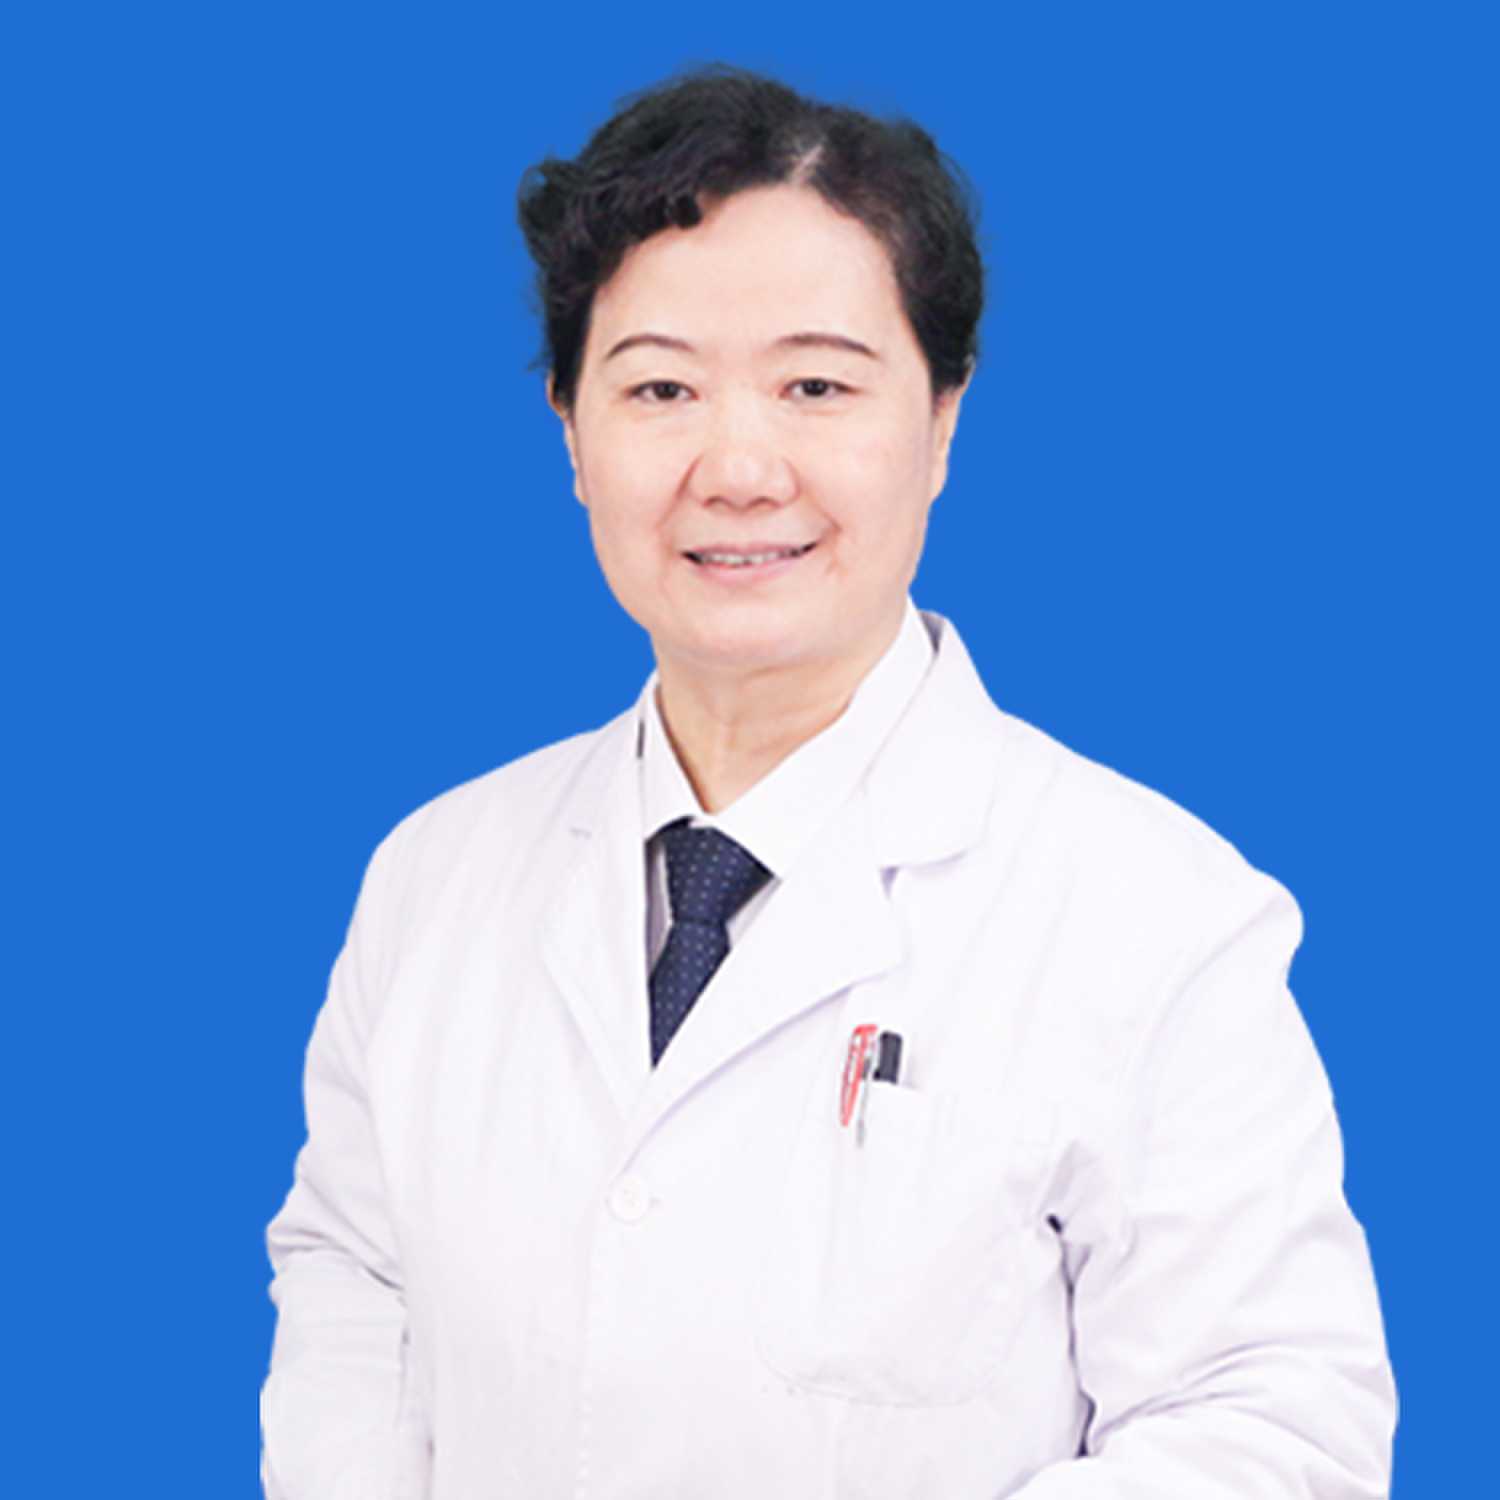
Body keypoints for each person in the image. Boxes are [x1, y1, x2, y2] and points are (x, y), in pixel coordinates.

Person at [260, 64, 1396, 1499]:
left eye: (816, 386)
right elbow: (356, 1287)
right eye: (660, 387)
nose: (739, 467)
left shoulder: (1156, 917)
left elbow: (1271, 1427)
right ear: (569, 429)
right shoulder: (435, 879)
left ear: (941, 420)